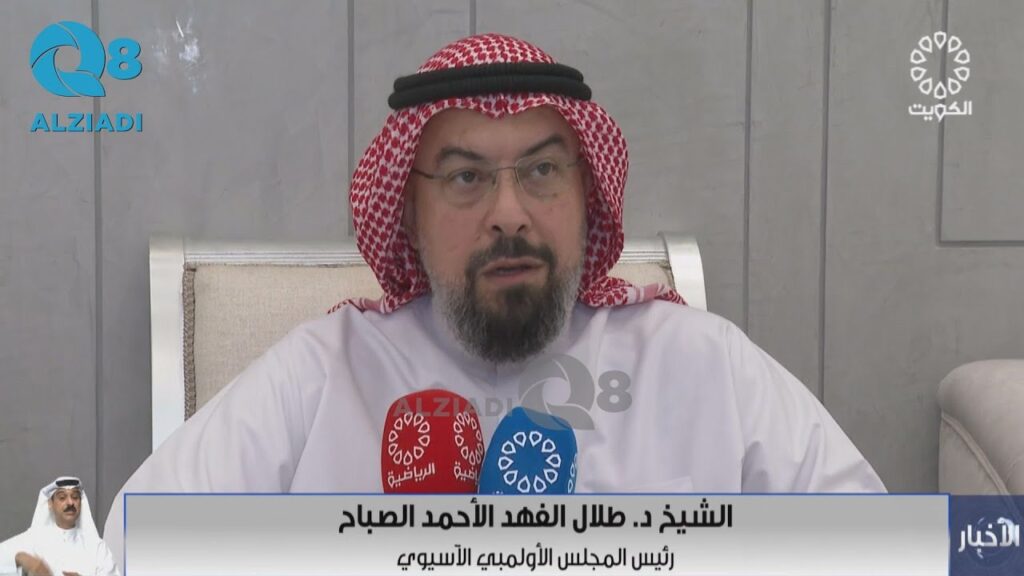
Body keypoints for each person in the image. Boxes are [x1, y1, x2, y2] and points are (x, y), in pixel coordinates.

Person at [102, 33, 884, 561]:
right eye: (466, 177)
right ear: (410, 213)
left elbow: (872, 548)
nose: (509, 213)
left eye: (542, 171)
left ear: (586, 197)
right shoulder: (325, 373)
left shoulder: (699, 363)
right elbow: (136, 544)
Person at [0, 477, 119, 576]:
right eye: (62, 497)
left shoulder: (97, 547)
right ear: (50, 504)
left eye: (75, 497)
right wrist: (21, 558)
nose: (70, 503)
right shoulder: (33, 539)